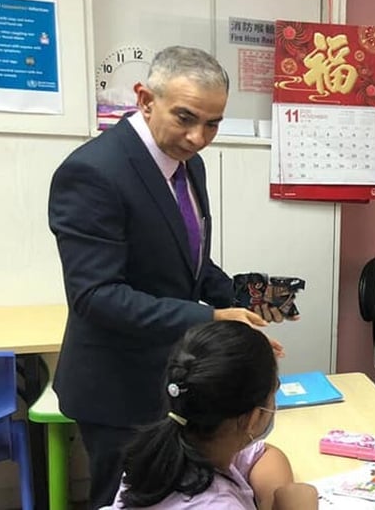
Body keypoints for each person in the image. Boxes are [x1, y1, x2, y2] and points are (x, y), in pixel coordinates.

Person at [48, 46, 289, 508]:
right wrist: (211, 315)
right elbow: (96, 296)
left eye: (213, 123)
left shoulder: (187, 162)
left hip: (177, 379)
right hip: (119, 389)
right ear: (144, 99)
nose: (199, 137)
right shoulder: (93, 172)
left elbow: (190, 263)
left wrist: (245, 299)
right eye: (185, 118)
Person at [104, 321, 318, 509]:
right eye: (275, 389)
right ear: (252, 419)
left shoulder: (168, 454)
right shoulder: (219, 504)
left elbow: (263, 454)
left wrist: (275, 498)